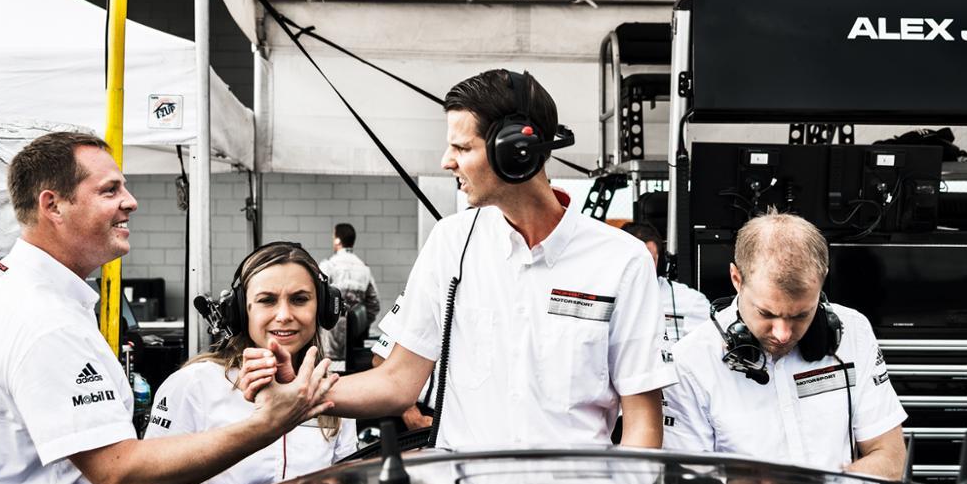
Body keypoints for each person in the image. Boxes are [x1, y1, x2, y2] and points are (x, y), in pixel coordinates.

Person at [242, 69, 675, 449]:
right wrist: (300, 393)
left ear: (517, 151)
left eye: (462, 148)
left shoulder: (622, 261)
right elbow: (397, 382)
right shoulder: (450, 242)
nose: (446, 161)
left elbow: (643, 423)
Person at [0, 132, 337, 484]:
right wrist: (269, 423)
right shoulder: (45, 319)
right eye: (110, 190)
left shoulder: (2, 288)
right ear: (53, 206)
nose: (131, 201)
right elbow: (120, 476)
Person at [662, 212, 907, 479]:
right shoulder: (690, 363)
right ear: (736, 279)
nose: (782, 335)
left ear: (822, 279)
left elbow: (890, 459)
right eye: (766, 314)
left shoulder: (853, 330)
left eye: (801, 315)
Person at [143, 242, 356, 484]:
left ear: (323, 308)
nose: (284, 315)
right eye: (267, 300)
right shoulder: (193, 385)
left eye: (299, 299)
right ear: (241, 311)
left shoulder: (332, 392)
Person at [621, 222, 710, 349]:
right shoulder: (604, 298)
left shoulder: (690, 301)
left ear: (660, 261)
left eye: (650, 260)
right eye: (636, 260)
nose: (643, 267)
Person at [318, 223, 380, 369]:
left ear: (337, 241)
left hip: (330, 338)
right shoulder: (364, 269)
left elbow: (316, 298)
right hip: (354, 341)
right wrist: (358, 325)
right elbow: (374, 304)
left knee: (329, 371)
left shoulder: (328, 266)